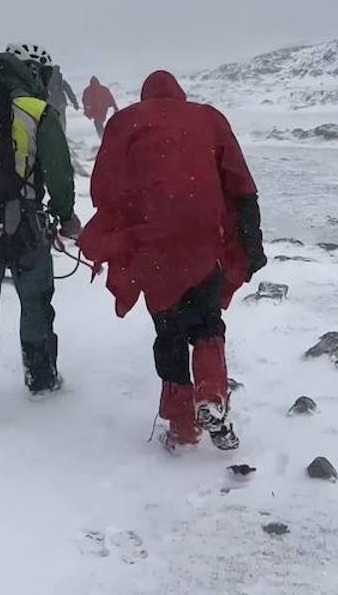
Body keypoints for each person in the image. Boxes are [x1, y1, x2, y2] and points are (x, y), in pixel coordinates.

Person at [79, 71, 266, 451]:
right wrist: (250, 242)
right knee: (208, 321)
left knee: (169, 329)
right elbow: (241, 185)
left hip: (155, 245)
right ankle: (212, 394)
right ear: (179, 94)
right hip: (202, 242)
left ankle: (182, 425)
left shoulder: (126, 122)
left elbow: (105, 187)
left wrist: (115, 234)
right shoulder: (209, 118)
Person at [0, 45, 81, 439]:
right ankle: (41, 379)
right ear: (36, 73)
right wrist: (65, 216)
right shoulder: (37, 110)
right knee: (36, 300)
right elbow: (58, 171)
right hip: (25, 225)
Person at [47, 65, 79, 131]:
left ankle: (53, 133)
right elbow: (70, 92)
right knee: (62, 120)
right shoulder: (62, 82)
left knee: (51, 119)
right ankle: (63, 133)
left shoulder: (47, 81)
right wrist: (75, 103)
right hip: (61, 104)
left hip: (49, 104)